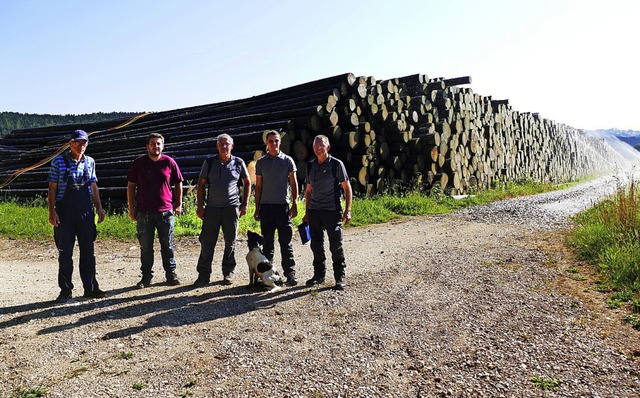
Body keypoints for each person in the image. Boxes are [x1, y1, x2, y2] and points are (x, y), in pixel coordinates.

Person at [47, 129, 106, 302]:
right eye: (77, 143)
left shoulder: (90, 162)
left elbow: (93, 187)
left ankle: (90, 287)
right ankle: (65, 290)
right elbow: (52, 188)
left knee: (88, 251)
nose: (81, 146)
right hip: (65, 213)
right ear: (70, 144)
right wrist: (52, 211)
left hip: (85, 212)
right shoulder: (59, 162)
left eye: (84, 143)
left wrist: (99, 208)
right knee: (65, 253)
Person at [193, 133, 251, 287]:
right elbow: (201, 184)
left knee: (230, 242)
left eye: (227, 144)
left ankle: (228, 272)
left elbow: (248, 182)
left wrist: (244, 204)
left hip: (231, 208)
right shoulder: (210, 162)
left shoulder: (238, 163)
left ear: (232, 145)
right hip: (212, 209)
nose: (224, 147)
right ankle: (203, 275)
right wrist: (200, 206)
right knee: (207, 242)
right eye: (221, 144)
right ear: (217, 146)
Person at [127, 133, 184, 288]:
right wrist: (131, 207)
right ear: (147, 146)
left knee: (168, 245)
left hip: (165, 212)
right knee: (146, 247)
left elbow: (178, 184)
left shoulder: (169, 162)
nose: (156, 146)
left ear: (162, 146)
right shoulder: (138, 163)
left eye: (158, 144)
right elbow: (131, 186)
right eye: (153, 144)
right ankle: (146, 277)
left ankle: (171, 274)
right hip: (144, 212)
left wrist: (178, 204)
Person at [303, 135, 353, 290]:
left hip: (332, 210)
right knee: (316, 245)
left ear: (328, 147)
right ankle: (319, 276)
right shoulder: (311, 165)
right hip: (315, 211)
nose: (318, 148)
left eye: (321, 145)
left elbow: (347, 188)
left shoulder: (336, 165)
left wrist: (348, 210)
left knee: (335, 245)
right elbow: (309, 191)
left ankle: (340, 278)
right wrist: (307, 212)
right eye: (316, 145)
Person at [253, 130, 299, 286]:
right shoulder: (261, 163)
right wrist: (256, 207)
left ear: (280, 142)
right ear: (266, 143)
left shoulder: (287, 161)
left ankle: (290, 274)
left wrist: (295, 203)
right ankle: (267, 275)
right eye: (270, 141)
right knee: (267, 244)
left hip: (283, 207)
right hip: (266, 208)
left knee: (286, 243)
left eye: (276, 141)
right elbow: (258, 187)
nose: (274, 144)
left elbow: (293, 183)